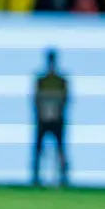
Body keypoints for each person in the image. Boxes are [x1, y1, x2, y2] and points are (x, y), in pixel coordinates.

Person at [32, 49, 68, 187]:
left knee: (60, 149)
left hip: (56, 119)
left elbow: (65, 99)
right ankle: (36, 177)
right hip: (43, 119)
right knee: (39, 149)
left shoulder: (60, 81)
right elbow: (36, 100)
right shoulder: (42, 81)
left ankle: (63, 177)